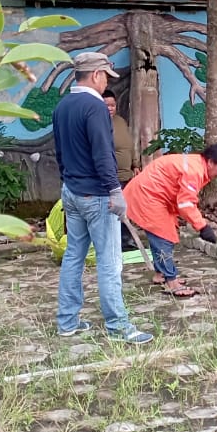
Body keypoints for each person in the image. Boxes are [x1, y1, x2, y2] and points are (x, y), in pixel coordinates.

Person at [52, 52, 153, 345]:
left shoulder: (63, 106)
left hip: (71, 192)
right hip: (97, 196)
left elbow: (60, 153)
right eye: (106, 75)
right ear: (96, 74)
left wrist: (68, 181)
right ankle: (119, 327)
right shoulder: (94, 106)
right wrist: (114, 190)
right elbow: (102, 152)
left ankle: (67, 322)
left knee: (73, 257)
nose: (107, 80)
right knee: (110, 263)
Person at [124, 143, 217, 298]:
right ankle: (172, 283)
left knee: (163, 234)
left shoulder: (196, 164)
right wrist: (202, 227)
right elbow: (186, 204)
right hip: (148, 197)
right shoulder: (194, 170)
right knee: (164, 237)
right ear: (210, 162)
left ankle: (160, 273)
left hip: (151, 195)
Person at [103, 90, 140, 252]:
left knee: (127, 208)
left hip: (127, 174)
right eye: (106, 105)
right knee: (113, 210)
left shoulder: (120, 121)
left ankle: (126, 240)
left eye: (112, 105)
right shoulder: (97, 123)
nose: (110, 108)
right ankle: (113, 243)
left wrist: (135, 164)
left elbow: (129, 146)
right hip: (111, 177)